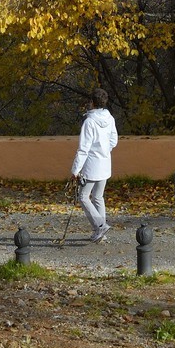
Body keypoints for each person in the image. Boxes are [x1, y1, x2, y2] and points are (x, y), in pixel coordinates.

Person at [70, 88, 119, 242]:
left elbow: (83, 149)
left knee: (83, 197)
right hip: (105, 163)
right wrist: (104, 150)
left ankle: (100, 226)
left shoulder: (89, 122)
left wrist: (75, 170)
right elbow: (114, 141)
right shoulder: (110, 118)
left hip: (91, 165)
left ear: (92, 102)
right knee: (98, 197)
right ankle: (101, 232)